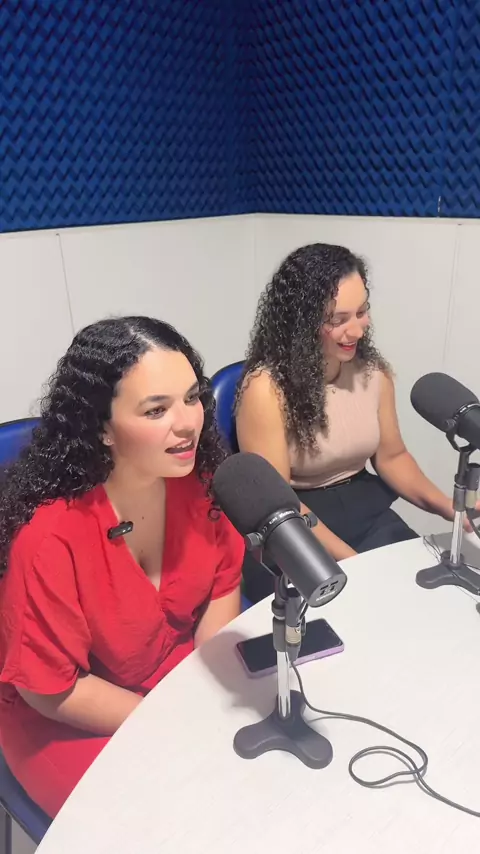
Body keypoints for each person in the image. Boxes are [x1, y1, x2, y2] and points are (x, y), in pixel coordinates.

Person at [0, 316, 244, 817]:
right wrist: (172, 720)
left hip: (174, 676)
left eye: (192, 398)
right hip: (68, 716)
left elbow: (224, 583)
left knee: (247, 781)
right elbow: (52, 690)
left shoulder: (199, 482)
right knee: (171, 817)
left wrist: (204, 685)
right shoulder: (49, 537)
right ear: (102, 428)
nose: (187, 423)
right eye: (156, 409)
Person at [236, 243, 476, 603]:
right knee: (354, 609)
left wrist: (449, 509)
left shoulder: (373, 373)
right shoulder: (265, 389)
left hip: (364, 507)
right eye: (338, 320)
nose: (358, 330)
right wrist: (352, 562)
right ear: (301, 323)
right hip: (295, 521)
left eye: (362, 312)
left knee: (421, 599)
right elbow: (278, 501)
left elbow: (393, 457)